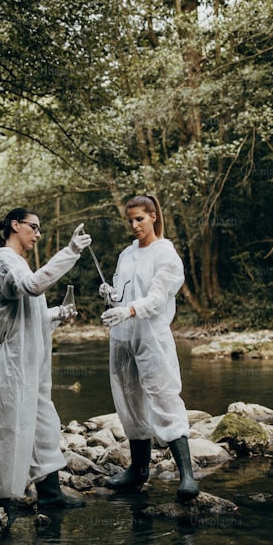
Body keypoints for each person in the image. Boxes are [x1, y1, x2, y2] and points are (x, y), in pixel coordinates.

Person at [0, 208, 92, 509]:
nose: (38, 235)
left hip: (33, 361)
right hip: (13, 363)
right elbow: (30, 287)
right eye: (34, 227)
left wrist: (56, 313)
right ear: (15, 226)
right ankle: (4, 500)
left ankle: (51, 494)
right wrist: (70, 252)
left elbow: (29, 313)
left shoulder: (20, 263)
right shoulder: (1, 260)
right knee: (11, 429)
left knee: (44, 423)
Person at [99, 195, 199, 502]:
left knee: (163, 396)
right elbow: (123, 293)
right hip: (122, 337)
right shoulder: (125, 254)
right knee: (129, 400)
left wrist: (129, 310)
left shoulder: (166, 254)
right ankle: (139, 470)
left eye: (139, 219)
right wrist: (110, 295)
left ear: (153, 216)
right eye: (130, 220)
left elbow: (156, 298)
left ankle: (187, 476)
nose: (134, 225)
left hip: (151, 336)